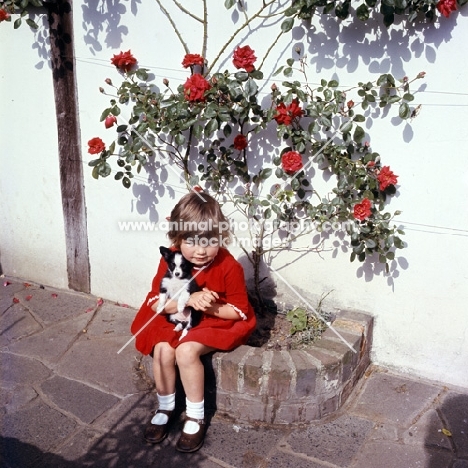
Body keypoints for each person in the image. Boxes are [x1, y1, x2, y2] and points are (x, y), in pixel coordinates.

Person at [130, 191, 257, 453]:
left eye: (209, 241)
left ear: (221, 237)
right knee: (163, 348)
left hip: (214, 320)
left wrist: (208, 305)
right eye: (191, 240)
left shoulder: (228, 266)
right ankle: (165, 405)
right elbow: (157, 303)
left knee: (186, 351)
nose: (200, 250)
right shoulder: (171, 259)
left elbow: (238, 311)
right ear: (177, 238)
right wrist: (188, 300)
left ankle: (196, 414)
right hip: (176, 313)